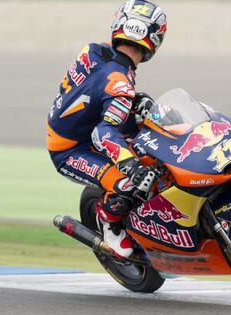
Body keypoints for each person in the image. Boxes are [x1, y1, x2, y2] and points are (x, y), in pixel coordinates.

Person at [46, 0, 167, 258]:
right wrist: (131, 167)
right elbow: (104, 132)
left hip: (78, 125)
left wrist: (134, 103)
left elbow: (94, 89)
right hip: (71, 148)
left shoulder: (94, 50)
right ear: (155, 39)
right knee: (129, 183)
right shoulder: (120, 84)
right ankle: (109, 223)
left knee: (151, 137)